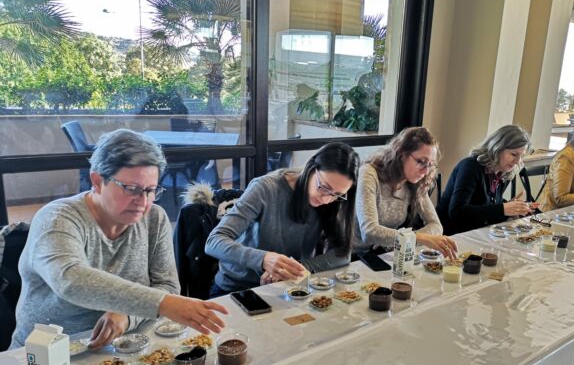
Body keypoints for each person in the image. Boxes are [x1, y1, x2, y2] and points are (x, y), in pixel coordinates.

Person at [10, 129, 227, 349]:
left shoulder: (154, 218)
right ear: (97, 181)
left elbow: (167, 285)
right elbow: (70, 279)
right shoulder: (58, 218)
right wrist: (164, 303)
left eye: (150, 190)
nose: (142, 201)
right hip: (44, 353)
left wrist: (128, 315)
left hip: (123, 347)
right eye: (131, 189)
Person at [206, 142, 360, 295]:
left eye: (337, 194)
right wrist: (264, 259)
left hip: (288, 287)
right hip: (238, 287)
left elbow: (342, 254)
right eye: (324, 187)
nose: (327, 199)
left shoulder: (334, 200)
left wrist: (293, 269)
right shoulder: (265, 188)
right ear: (311, 169)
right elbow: (214, 242)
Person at [355, 127, 458, 258]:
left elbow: (436, 226)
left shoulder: (415, 182)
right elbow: (369, 232)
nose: (426, 171)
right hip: (351, 256)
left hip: (383, 256)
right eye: (421, 162)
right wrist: (415, 237)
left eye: (431, 164)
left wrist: (403, 239)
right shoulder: (369, 173)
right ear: (401, 154)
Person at [436, 125, 533, 235]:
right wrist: (502, 209)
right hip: (451, 236)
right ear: (497, 148)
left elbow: (486, 208)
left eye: (521, 156)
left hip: (477, 233)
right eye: (514, 154)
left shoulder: (503, 171)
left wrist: (511, 209)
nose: (517, 161)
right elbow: (457, 212)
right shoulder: (470, 166)